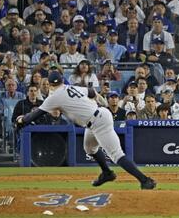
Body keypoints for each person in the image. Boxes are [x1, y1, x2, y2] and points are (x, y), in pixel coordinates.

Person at [15, 71, 156, 190]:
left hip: (97, 121)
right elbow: (91, 92)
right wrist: (100, 101)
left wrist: (21, 120)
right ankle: (107, 173)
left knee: (116, 154)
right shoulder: (70, 87)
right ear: (62, 81)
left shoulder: (54, 96)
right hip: (96, 117)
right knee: (89, 148)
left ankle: (145, 180)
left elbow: (35, 114)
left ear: (50, 85)